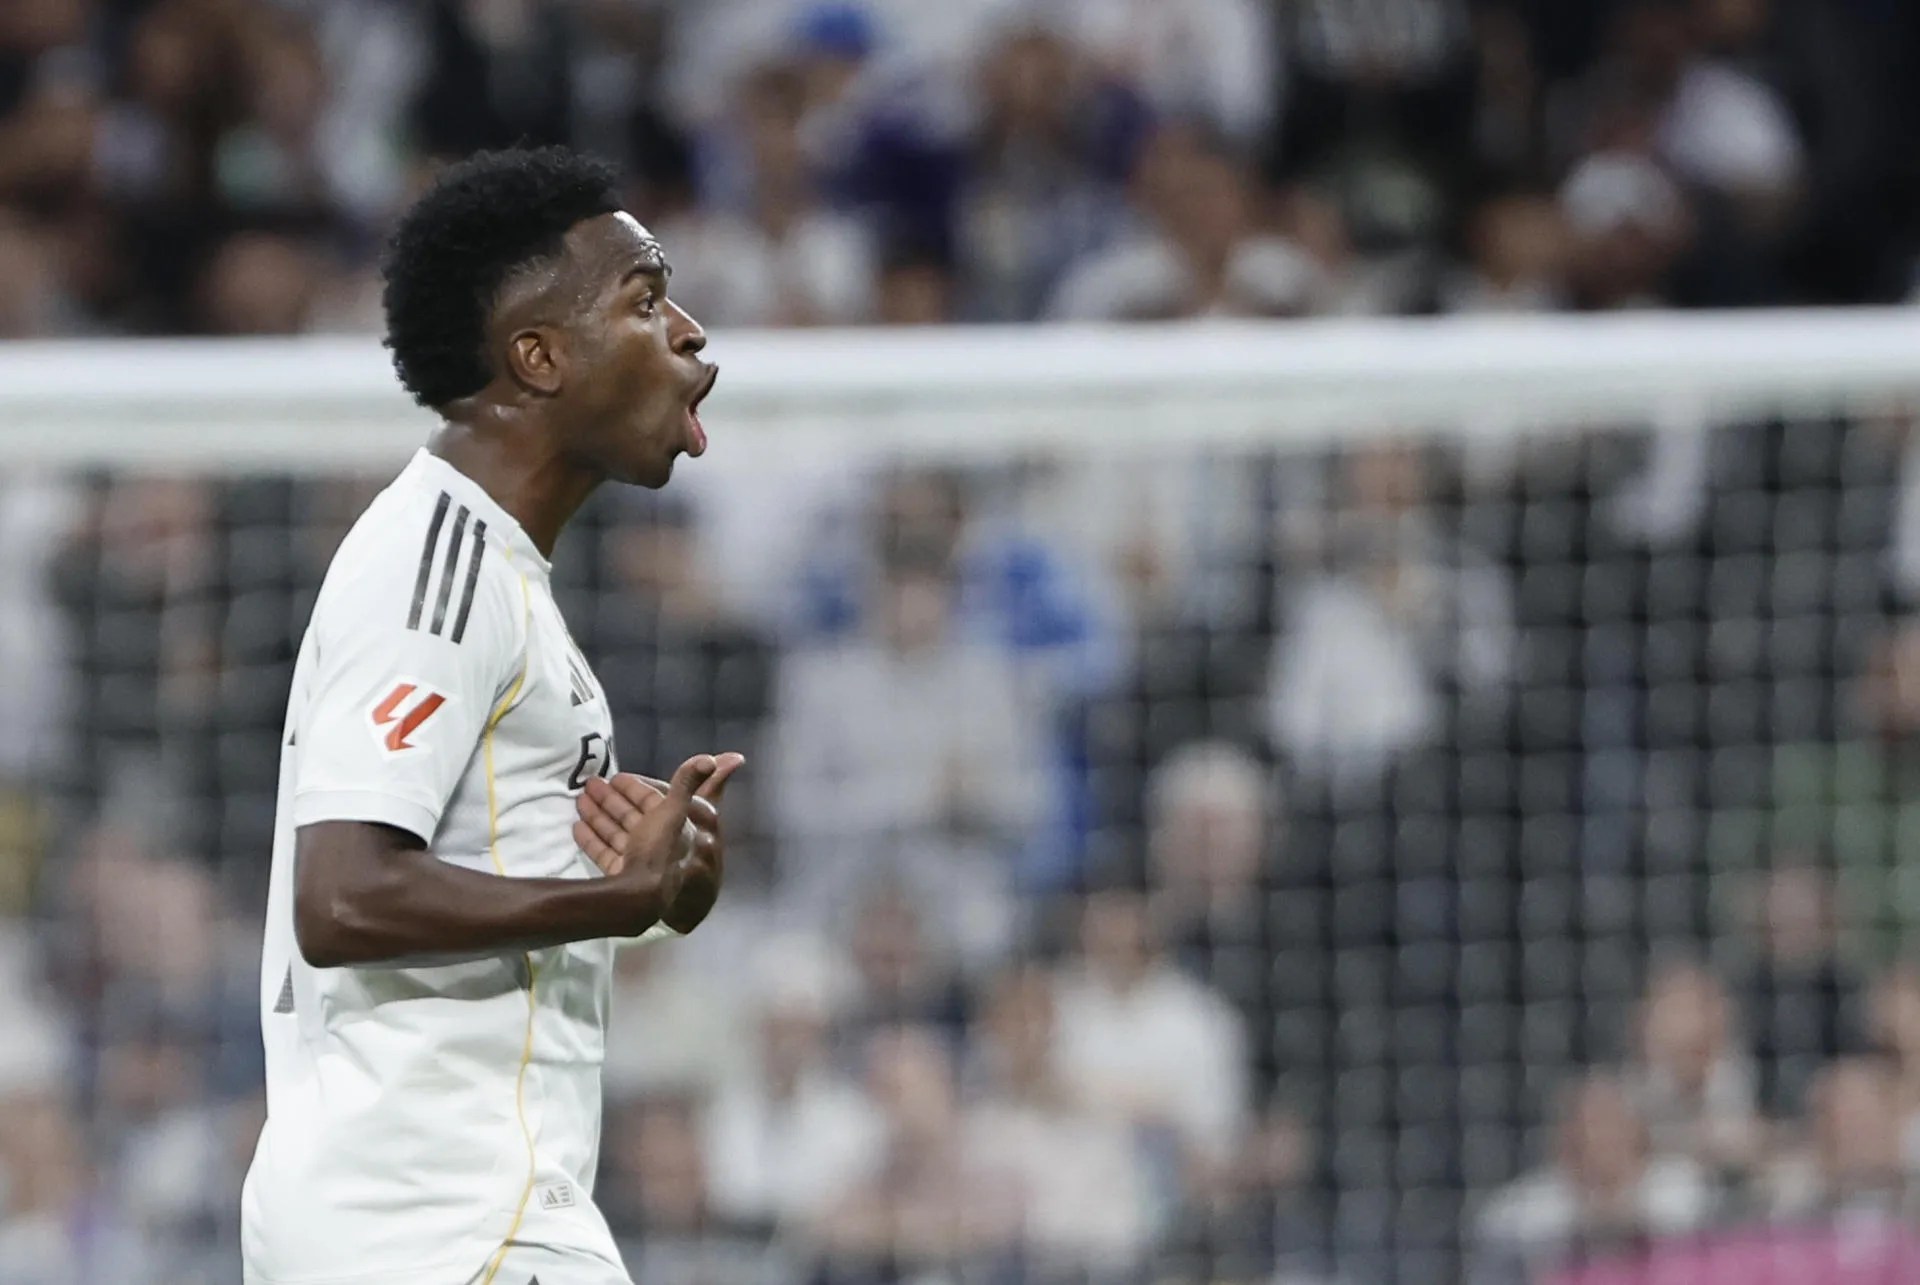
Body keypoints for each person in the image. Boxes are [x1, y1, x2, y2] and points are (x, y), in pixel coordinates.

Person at [240, 147, 746, 1285]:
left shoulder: (499, 580)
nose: (691, 332)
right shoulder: (437, 567)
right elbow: (342, 893)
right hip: (432, 1215)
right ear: (537, 355)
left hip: (457, 1209)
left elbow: (485, 879)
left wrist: (663, 891)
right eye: (647, 298)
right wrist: (610, 897)